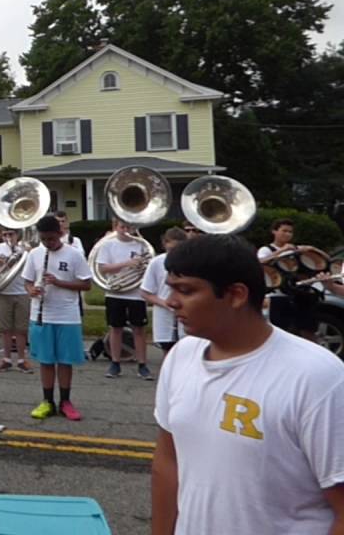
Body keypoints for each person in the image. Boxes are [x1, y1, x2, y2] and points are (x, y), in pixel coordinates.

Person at [150, 235, 344, 535]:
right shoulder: (180, 356)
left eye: (185, 290)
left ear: (237, 295)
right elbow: (168, 461)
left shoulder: (318, 376)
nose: (171, 301)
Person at [22, 215, 92, 421]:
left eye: (51, 239)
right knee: (45, 360)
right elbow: (26, 281)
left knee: (64, 360)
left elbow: (86, 284)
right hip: (41, 314)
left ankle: (65, 401)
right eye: (44, 239)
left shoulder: (74, 254)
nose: (48, 243)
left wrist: (59, 282)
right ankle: (47, 401)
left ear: (60, 234)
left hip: (67, 315)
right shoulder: (35, 254)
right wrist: (31, 290)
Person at [96, 218, 154, 380]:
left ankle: (142, 364)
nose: (126, 230)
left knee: (139, 329)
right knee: (115, 328)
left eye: (129, 226)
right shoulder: (108, 244)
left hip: (136, 293)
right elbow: (103, 268)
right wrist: (127, 264)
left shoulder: (142, 245)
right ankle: (115, 363)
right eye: (122, 227)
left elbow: (149, 267)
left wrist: (141, 266)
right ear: (115, 227)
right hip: (115, 292)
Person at [257, 218, 318, 339]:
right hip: (278, 295)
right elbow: (259, 262)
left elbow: (323, 261)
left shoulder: (295, 249)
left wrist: (313, 249)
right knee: (280, 331)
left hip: (299, 293)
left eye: (290, 232)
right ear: (274, 231)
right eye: (284, 231)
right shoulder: (266, 250)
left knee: (307, 329)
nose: (287, 234)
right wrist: (282, 251)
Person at [0, 229, 32, 373]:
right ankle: (6, 359)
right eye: (4, 234)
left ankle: (21, 360)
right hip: (3, 292)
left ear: (17, 235)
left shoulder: (25, 249)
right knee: (5, 329)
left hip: (22, 291)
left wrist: (28, 253)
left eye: (11, 234)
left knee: (21, 329)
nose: (8, 237)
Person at [140, 227, 188, 354]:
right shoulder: (157, 262)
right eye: (171, 249)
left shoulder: (191, 262)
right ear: (164, 244)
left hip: (185, 315)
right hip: (164, 315)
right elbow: (145, 292)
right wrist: (165, 303)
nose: (174, 253)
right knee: (167, 354)